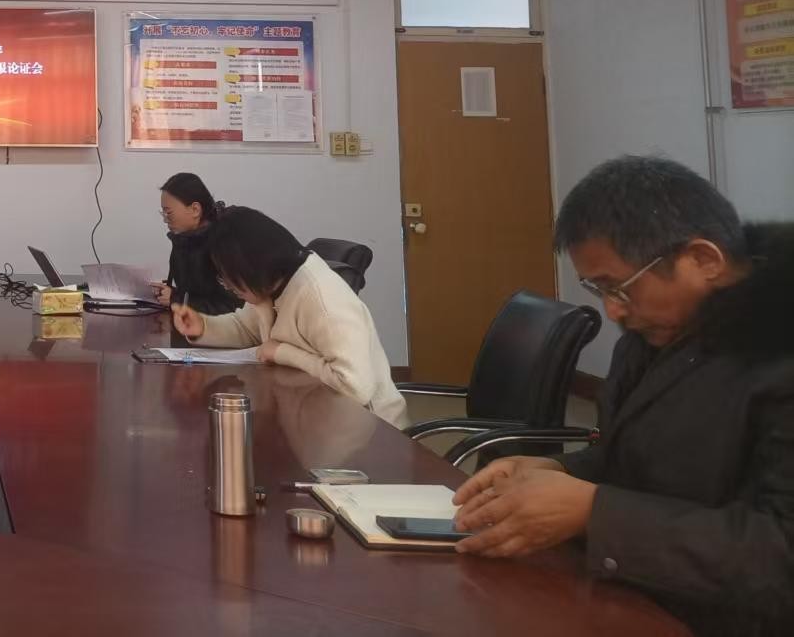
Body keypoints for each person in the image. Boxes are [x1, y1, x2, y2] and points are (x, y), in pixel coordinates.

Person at [452, 155, 794, 636]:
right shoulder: (652, 334)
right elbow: (635, 460)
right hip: (634, 593)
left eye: (620, 288)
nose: (613, 311)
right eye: (598, 290)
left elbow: (780, 553)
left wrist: (593, 512)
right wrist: (557, 471)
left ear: (704, 260)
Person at [171, 205, 406, 425]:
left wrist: (283, 352)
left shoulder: (321, 299)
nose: (229, 287)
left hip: (369, 430)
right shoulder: (271, 286)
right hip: (313, 415)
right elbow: (246, 328)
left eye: (228, 278)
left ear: (250, 265)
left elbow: (354, 386)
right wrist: (203, 327)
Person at [149, 172, 242, 315]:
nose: (165, 220)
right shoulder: (183, 238)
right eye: (163, 213)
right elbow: (196, 294)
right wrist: (170, 293)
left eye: (169, 213)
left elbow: (234, 307)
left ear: (195, 210)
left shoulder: (225, 244)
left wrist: (177, 299)